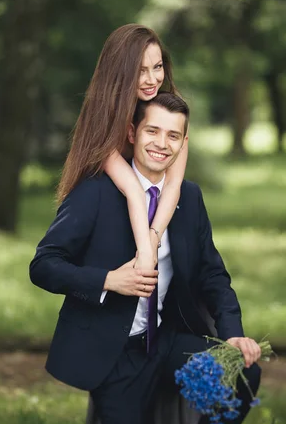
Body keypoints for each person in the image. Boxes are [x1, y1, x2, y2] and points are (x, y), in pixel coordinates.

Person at [25, 92, 261, 424]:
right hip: (115, 356)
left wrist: (233, 333)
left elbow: (212, 273)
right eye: (153, 131)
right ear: (133, 133)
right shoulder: (96, 192)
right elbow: (43, 264)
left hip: (166, 343)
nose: (161, 144)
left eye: (173, 135)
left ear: (183, 143)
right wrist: (107, 280)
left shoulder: (189, 197)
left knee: (242, 373)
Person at [56, 23, 188, 274]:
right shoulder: (103, 119)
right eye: (141, 71)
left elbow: (173, 185)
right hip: (109, 211)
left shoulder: (172, 111)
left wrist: (152, 241)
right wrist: (146, 252)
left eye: (157, 67)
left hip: (152, 210)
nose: (152, 80)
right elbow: (133, 189)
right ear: (121, 74)